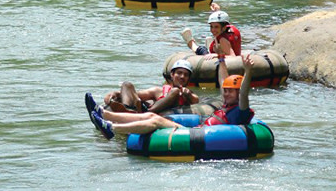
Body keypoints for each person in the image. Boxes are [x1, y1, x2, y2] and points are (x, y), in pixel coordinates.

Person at [86, 56, 255, 138]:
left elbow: (244, 92)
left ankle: (112, 128)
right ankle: (104, 114)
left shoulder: (240, 109)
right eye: (224, 91)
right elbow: (223, 81)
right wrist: (221, 58)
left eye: (230, 92)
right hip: (198, 128)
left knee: (156, 121)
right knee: (151, 115)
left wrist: (247, 71)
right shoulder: (226, 104)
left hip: (199, 133)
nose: (225, 94)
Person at [103, 59, 200, 113]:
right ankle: (127, 109)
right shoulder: (158, 91)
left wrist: (186, 94)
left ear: (189, 79)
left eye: (186, 75)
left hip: (154, 114)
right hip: (141, 109)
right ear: (172, 74)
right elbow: (134, 95)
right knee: (127, 85)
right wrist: (116, 94)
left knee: (174, 91)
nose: (182, 77)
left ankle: (147, 111)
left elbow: (195, 101)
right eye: (179, 73)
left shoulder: (189, 94)